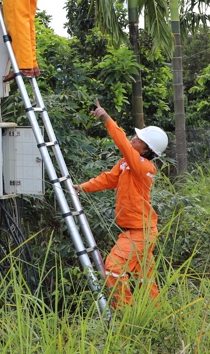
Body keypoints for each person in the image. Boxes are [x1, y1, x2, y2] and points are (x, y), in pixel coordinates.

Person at [73, 99, 168, 307]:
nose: (133, 139)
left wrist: (107, 119)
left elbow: (123, 143)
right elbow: (109, 179)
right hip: (132, 231)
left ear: (145, 150)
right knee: (145, 280)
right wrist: (82, 187)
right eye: (135, 137)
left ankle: (126, 316)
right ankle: (157, 319)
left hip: (141, 233)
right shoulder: (127, 164)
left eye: (138, 139)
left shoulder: (144, 167)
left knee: (113, 269)